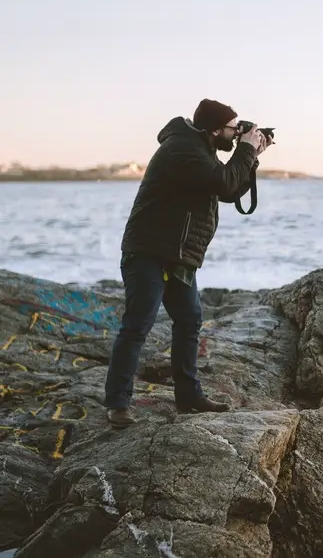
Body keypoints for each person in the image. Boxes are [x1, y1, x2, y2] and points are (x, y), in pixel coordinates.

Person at [104, 98, 272, 427]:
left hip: (178, 256)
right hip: (149, 252)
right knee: (138, 325)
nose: (235, 134)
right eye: (231, 128)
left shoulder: (202, 151)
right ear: (213, 129)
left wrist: (252, 156)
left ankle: (188, 396)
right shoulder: (181, 148)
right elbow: (223, 182)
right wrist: (246, 151)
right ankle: (117, 404)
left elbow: (226, 189)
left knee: (189, 321)